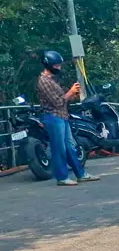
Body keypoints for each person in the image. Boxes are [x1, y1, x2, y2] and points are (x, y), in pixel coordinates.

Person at [34, 50, 98, 186]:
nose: (59, 68)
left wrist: (72, 94)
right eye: (56, 66)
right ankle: (62, 177)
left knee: (70, 147)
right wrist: (70, 92)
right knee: (59, 148)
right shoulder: (43, 81)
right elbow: (57, 102)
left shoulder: (52, 80)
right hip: (53, 117)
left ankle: (81, 174)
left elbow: (63, 100)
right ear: (48, 65)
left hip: (62, 116)